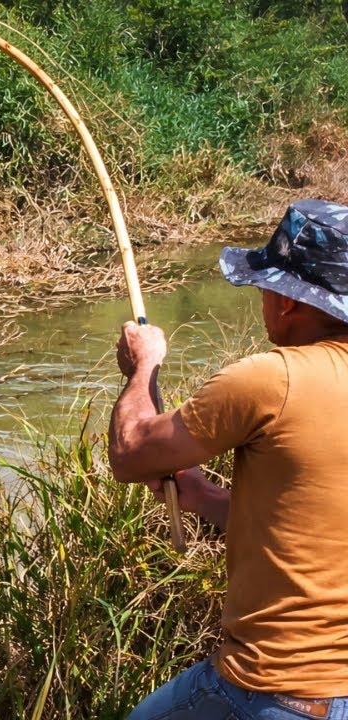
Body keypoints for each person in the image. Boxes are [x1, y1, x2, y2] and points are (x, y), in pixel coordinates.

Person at [108, 199, 348, 720]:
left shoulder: (270, 379)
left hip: (275, 688)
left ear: (287, 302)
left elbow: (130, 454)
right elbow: (314, 526)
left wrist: (142, 368)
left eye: (266, 289)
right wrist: (206, 498)